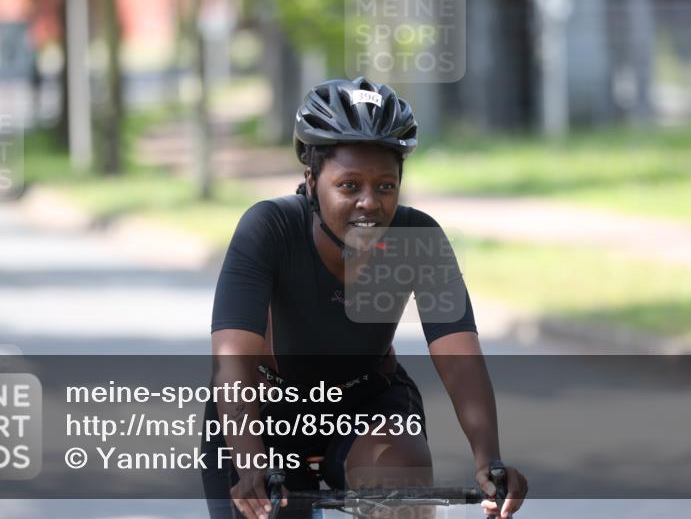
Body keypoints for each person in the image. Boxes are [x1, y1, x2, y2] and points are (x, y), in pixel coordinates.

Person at [203, 77, 527, 519]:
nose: (369, 203)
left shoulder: (418, 237)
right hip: (262, 410)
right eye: (350, 186)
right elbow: (232, 359)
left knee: (402, 482)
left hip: (364, 402)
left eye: (386, 186)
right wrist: (249, 460)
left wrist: (489, 460)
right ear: (312, 180)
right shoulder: (269, 228)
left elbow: (458, 354)